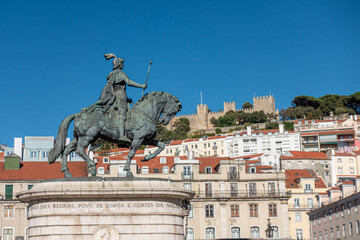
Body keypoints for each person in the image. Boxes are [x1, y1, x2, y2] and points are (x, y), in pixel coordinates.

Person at [87, 53, 147, 142]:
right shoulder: (120, 73)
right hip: (120, 97)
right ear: (119, 64)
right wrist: (141, 86)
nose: (123, 64)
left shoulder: (112, 74)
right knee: (122, 115)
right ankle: (121, 136)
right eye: (122, 63)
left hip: (116, 96)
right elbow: (129, 82)